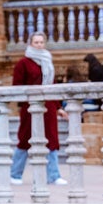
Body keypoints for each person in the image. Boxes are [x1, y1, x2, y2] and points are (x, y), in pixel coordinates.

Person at [10, 27, 62, 184]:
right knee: (25, 139)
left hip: (48, 105)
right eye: (36, 42)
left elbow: (52, 85)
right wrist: (23, 103)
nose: (39, 45)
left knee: (51, 139)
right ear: (30, 44)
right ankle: (15, 174)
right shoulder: (23, 63)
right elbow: (17, 85)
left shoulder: (47, 61)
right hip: (30, 106)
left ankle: (54, 175)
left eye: (41, 42)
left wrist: (58, 107)